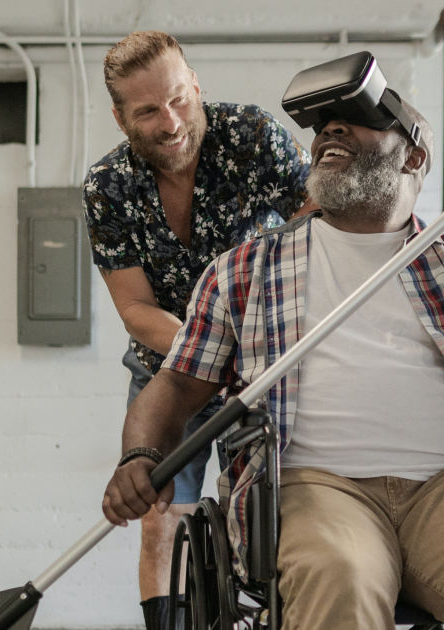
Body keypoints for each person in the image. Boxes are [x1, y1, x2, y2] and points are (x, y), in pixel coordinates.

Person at [101, 96, 444, 629]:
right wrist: (138, 454)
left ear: (413, 157)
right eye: (323, 126)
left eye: (359, 121)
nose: (329, 131)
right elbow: (177, 385)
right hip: (313, 488)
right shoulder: (244, 270)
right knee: (339, 576)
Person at [81, 31, 313, 630]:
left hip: (267, 367)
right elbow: (134, 307)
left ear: (195, 86)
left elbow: (323, 234)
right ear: (120, 118)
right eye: (148, 111)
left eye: (180, 99)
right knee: (162, 513)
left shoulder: (254, 138)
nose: (171, 121)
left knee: (279, 512)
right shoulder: (107, 188)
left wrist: (254, 350)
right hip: (167, 366)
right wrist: (206, 354)